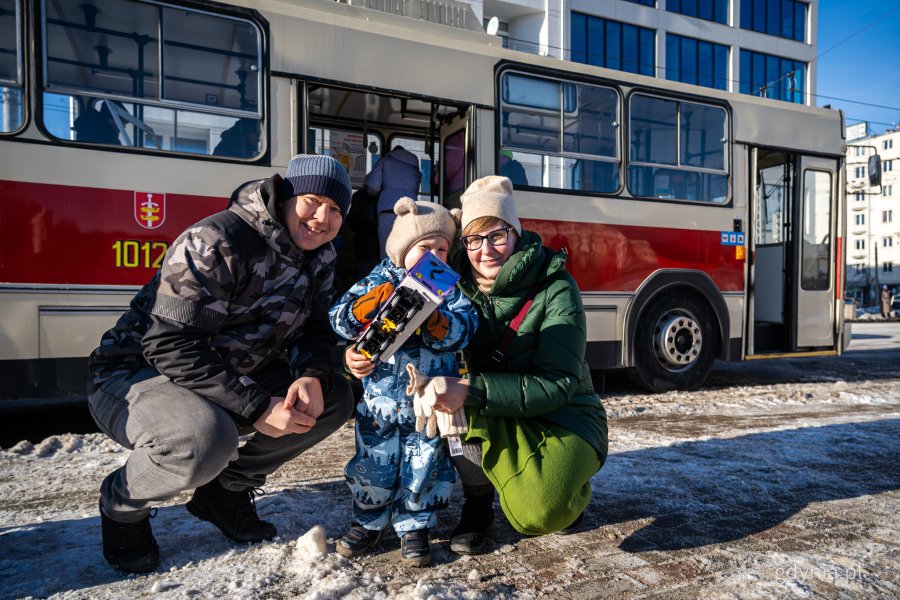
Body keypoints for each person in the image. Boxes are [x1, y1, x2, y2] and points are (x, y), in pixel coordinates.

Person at [86, 154, 356, 573]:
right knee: (205, 439)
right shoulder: (218, 239)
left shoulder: (319, 255)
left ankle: (224, 493)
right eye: (313, 200)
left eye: (336, 209)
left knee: (333, 399)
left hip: (227, 369)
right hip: (136, 373)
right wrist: (256, 407)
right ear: (285, 195)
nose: (323, 217)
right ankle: (122, 505)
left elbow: (314, 327)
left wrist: (311, 374)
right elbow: (170, 344)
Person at [345, 176, 608, 554]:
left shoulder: (556, 287)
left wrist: (468, 390)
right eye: (473, 239)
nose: (486, 250)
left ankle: (568, 485)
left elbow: (557, 383)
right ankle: (479, 504)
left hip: (562, 413)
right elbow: (394, 326)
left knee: (540, 512)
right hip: (492, 405)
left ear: (515, 232)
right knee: (446, 408)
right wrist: (354, 354)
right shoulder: (446, 281)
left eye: (497, 235)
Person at [329, 198, 478, 567]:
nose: (437, 256)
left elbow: (466, 326)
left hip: (425, 402)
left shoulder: (447, 289)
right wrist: (359, 314)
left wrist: (441, 324)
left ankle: (415, 524)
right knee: (373, 461)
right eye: (426, 248)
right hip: (379, 401)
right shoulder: (379, 280)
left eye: (443, 248)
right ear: (402, 249)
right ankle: (369, 519)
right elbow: (337, 318)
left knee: (424, 461)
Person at [364, 145, 421, 261]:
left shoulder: (385, 161)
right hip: (411, 209)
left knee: (387, 253)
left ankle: (388, 277)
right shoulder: (415, 168)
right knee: (406, 250)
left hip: (388, 209)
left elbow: (373, 187)